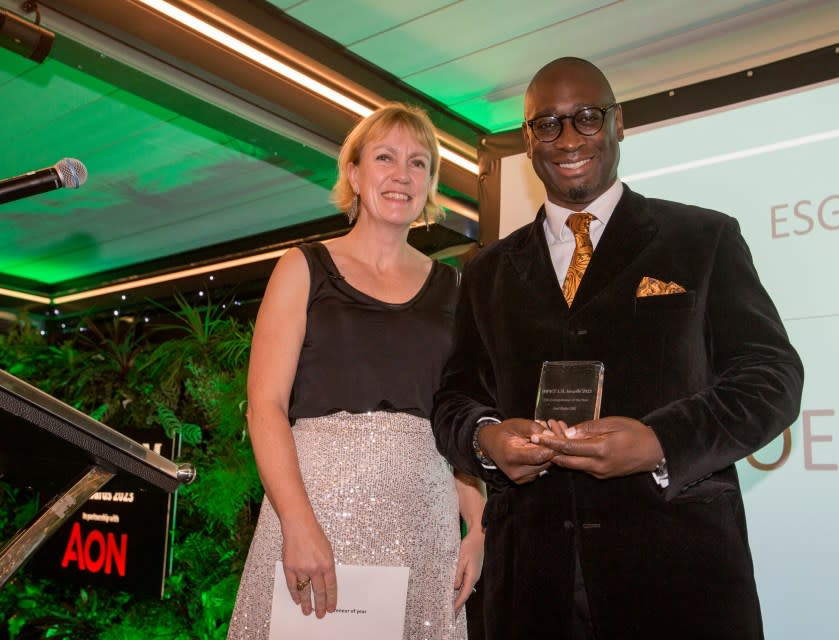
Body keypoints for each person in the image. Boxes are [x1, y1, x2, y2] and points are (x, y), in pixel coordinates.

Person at [431, 57, 803, 639]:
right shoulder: (487, 271)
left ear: (618, 123)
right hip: (529, 586)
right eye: (547, 124)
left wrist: (661, 442)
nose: (569, 138)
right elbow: (454, 399)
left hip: (679, 581)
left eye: (586, 117)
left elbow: (771, 378)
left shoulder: (703, 238)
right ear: (529, 141)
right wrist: (488, 438)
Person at [229, 103, 484, 640]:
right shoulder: (301, 268)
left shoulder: (454, 288)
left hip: (423, 529)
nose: (402, 175)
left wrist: (479, 525)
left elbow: (455, 419)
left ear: (430, 183)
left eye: (419, 163)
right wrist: (297, 524)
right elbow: (265, 407)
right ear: (354, 173)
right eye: (385, 157)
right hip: (313, 519)